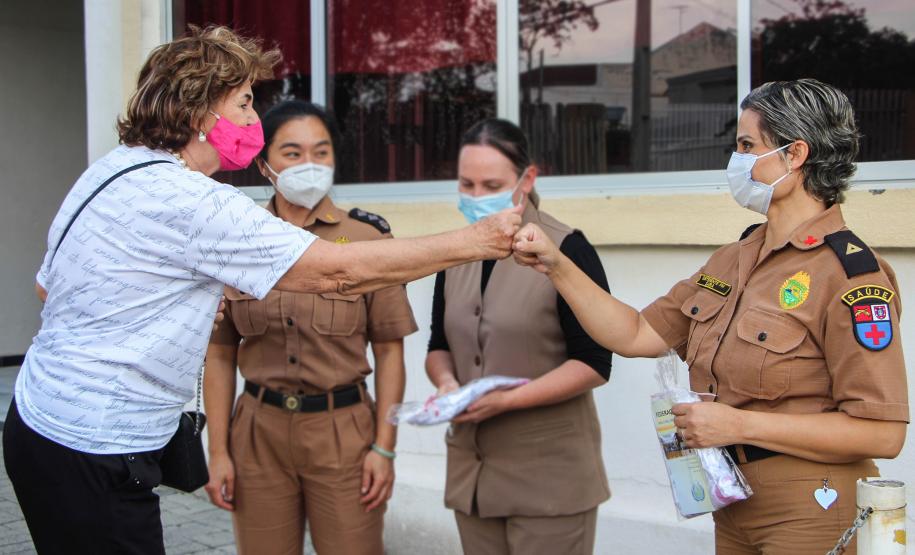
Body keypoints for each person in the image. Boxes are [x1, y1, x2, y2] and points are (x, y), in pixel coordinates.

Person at [2, 26, 520, 554]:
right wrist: (476, 239)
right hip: (97, 446)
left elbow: (50, 290)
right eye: (245, 103)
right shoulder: (197, 202)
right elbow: (336, 272)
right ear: (201, 111)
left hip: (37, 422)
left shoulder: (113, 170)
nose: (254, 120)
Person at [513, 79, 908, 553]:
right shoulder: (735, 257)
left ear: (795, 154)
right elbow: (638, 333)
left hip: (812, 506)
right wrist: (557, 265)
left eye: (747, 146)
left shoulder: (849, 274)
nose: (735, 160)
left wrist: (739, 426)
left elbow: (881, 432)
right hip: (734, 499)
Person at [204, 100, 416, 554]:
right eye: (293, 153)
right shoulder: (237, 239)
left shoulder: (367, 239)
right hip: (258, 434)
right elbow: (219, 354)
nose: (310, 165)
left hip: (345, 434)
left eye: (321, 152)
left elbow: (391, 352)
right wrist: (218, 451)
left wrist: (385, 447)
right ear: (264, 163)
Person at [425, 119, 613, 554]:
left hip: (550, 478)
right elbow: (439, 346)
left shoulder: (568, 248)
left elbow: (595, 362)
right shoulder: (455, 250)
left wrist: (507, 400)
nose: (475, 196)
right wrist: (448, 385)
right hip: (474, 474)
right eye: (466, 184)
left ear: (527, 179)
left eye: (490, 184)